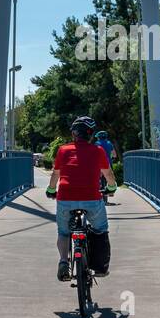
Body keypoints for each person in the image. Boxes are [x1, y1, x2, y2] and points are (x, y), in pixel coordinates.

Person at [45, 115, 117, 282]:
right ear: (90, 135)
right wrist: (111, 188)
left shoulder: (63, 150)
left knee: (63, 232)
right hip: (92, 198)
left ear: (74, 134)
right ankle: (99, 268)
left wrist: (50, 190)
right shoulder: (97, 151)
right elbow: (109, 175)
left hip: (65, 198)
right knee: (100, 230)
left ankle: (64, 261)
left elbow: (56, 174)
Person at [94, 130, 117, 197]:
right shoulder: (109, 143)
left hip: (99, 165)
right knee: (110, 176)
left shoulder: (97, 143)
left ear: (98, 137)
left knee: (98, 177)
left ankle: (98, 188)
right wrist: (112, 158)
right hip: (108, 163)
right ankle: (111, 192)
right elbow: (114, 154)